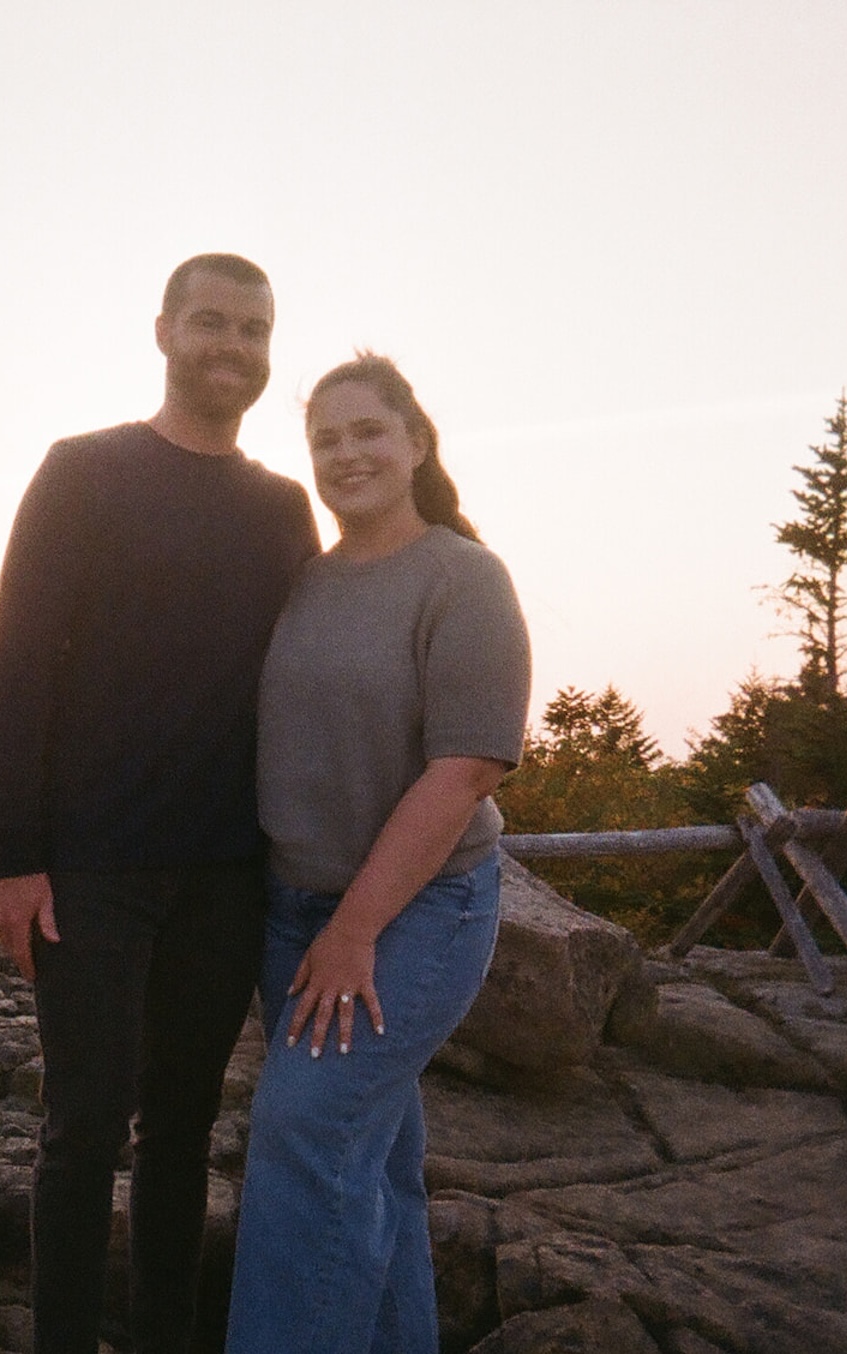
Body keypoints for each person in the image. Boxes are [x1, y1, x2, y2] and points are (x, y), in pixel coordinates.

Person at [0, 253, 321, 1354]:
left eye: (254, 330)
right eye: (211, 323)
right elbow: (17, 657)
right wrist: (12, 852)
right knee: (80, 1130)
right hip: (91, 871)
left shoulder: (280, 507)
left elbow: (306, 675)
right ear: (163, 331)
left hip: (225, 872)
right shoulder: (84, 473)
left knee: (184, 1132)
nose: (233, 347)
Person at [225, 354, 531, 1354]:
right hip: (293, 912)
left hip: (416, 915)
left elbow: (464, 770)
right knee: (374, 1163)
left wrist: (357, 927)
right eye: (326, 438)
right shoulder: (304, 580)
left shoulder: (463, 576)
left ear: (416, 441)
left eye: (369, 432)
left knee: (303, 1138)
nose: (347, 454)